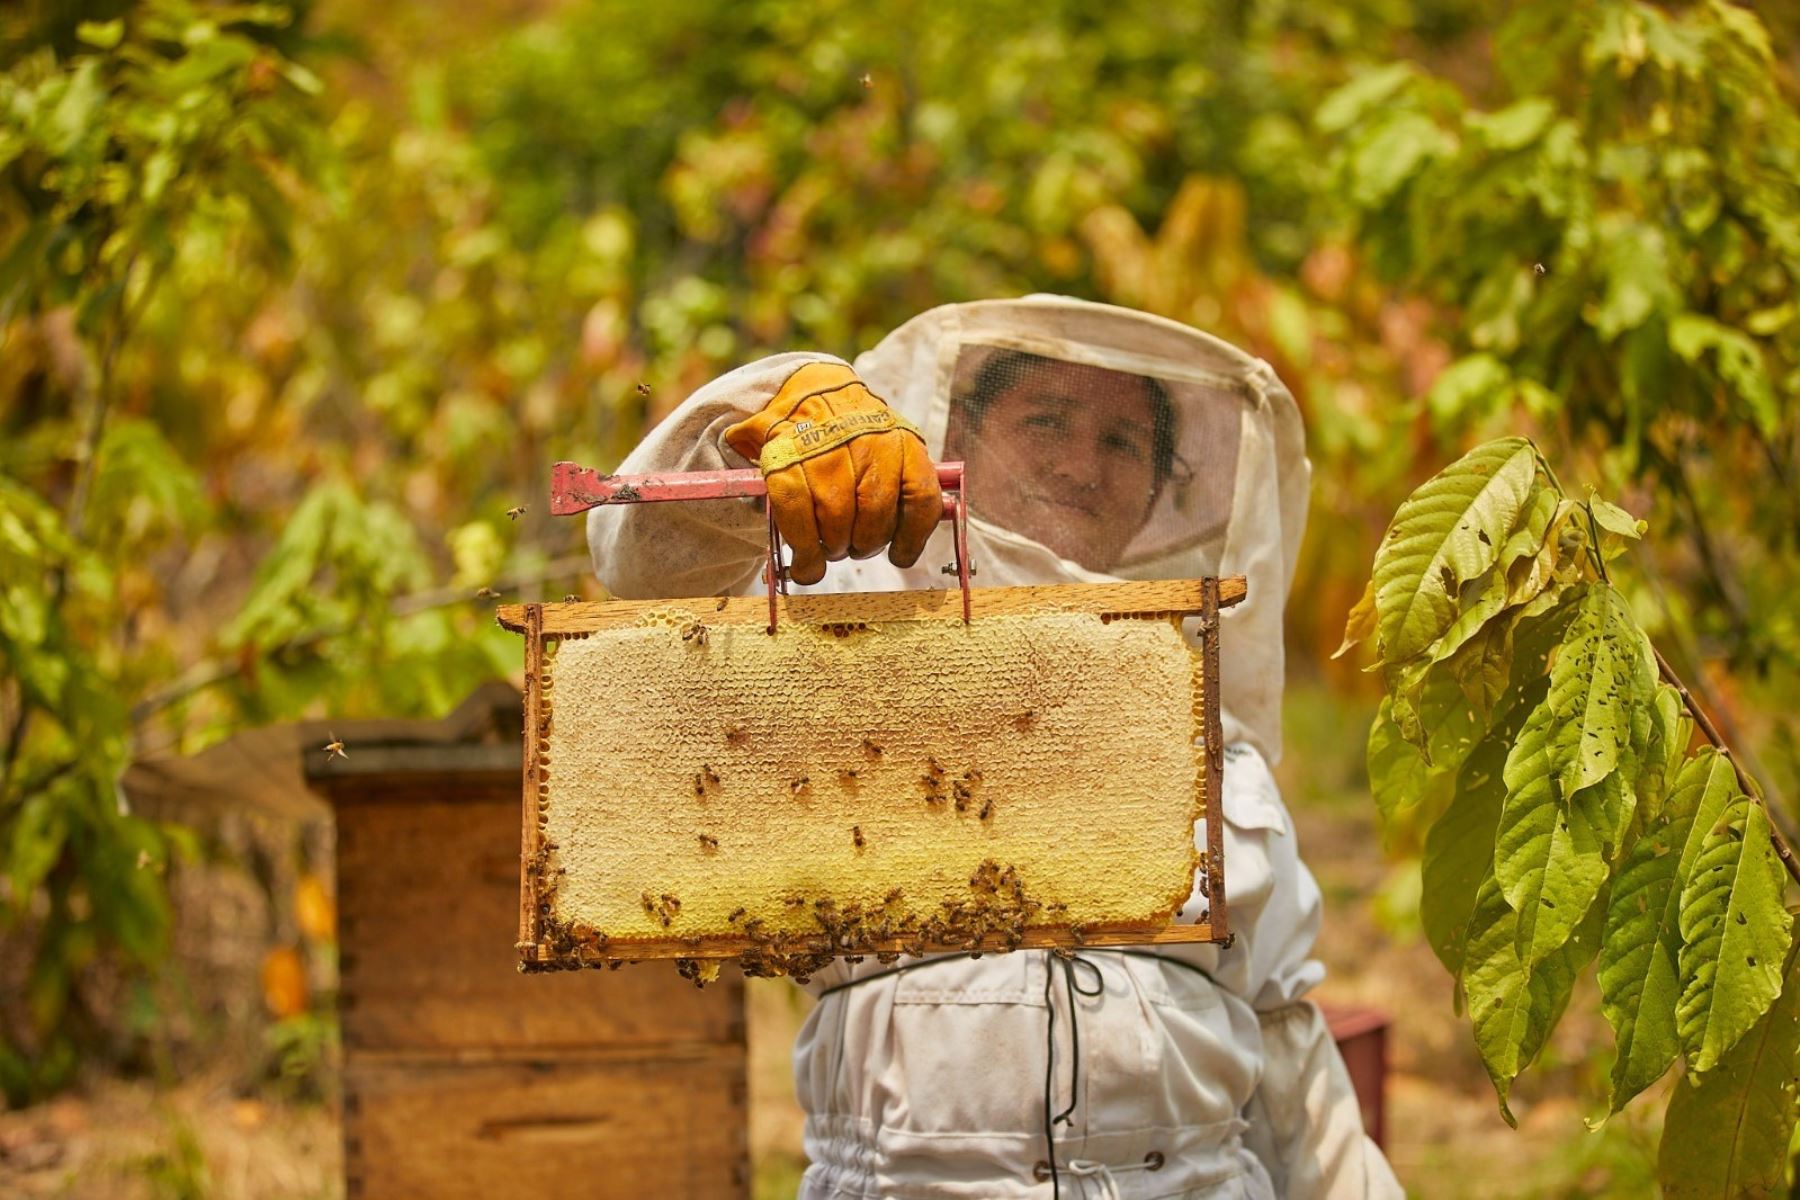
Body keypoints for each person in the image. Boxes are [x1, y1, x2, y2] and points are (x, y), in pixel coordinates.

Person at [589, 295, 1401, 1199]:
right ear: (956, 434)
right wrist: (780, 399)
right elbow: (641, 558)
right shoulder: (840, 659)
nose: (1082, 464)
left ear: (1157, 490)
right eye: (1046, 420)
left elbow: (1283, 1031)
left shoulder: (1201, 723)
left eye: (1123, 442)